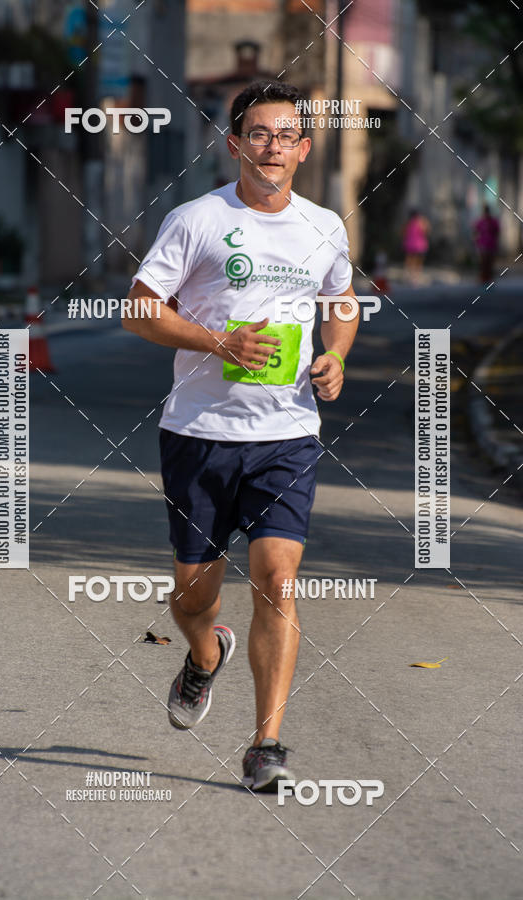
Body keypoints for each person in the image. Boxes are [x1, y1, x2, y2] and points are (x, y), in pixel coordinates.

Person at [122, 80, 359, 792]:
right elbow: (139, 311)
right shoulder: (196, 219)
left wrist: (337, 355)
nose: (272, 147)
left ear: (304, 149)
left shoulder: (323, 226)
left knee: (277, 583)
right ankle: (203, 655)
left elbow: (340, 304)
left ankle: (266, 745)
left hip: (287, 436)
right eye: (258, 133)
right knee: (192, 597)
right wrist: (218, 343)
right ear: (235, 144)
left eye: (286, 135)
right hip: (198, 432)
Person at [473, 204, 500, 283]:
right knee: (483, 262)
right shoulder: (481, 221)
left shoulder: (493, 222)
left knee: (489, 262)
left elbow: (497, 232)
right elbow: (475, 231)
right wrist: (476, 242)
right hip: (482, 245)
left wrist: (496, 242)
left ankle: (489, 278)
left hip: (491, 245)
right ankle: (483, 277)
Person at [402, 208, 430, 285]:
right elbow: (426, 231)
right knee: (418, 262)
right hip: (420, 245)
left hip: (410, 244)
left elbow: (403, 233)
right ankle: (415, 277)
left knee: (410, 261)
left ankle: (411, 276)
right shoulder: (421, 223)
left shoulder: (408, 223)